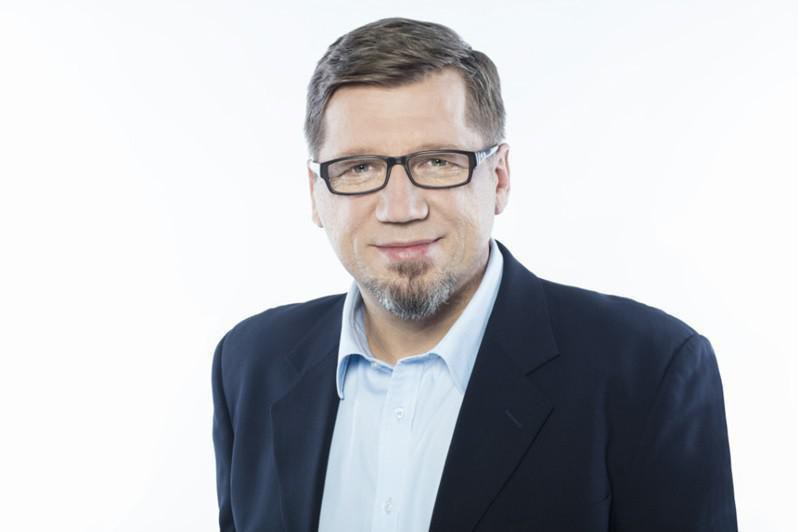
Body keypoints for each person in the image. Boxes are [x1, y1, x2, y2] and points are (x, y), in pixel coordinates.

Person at [211, 17, 737, 532]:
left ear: (499, 178)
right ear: (315, 194)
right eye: (359, 168)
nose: (400, 208)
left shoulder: (649, 370)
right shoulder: (250, 364)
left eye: (438, 162)